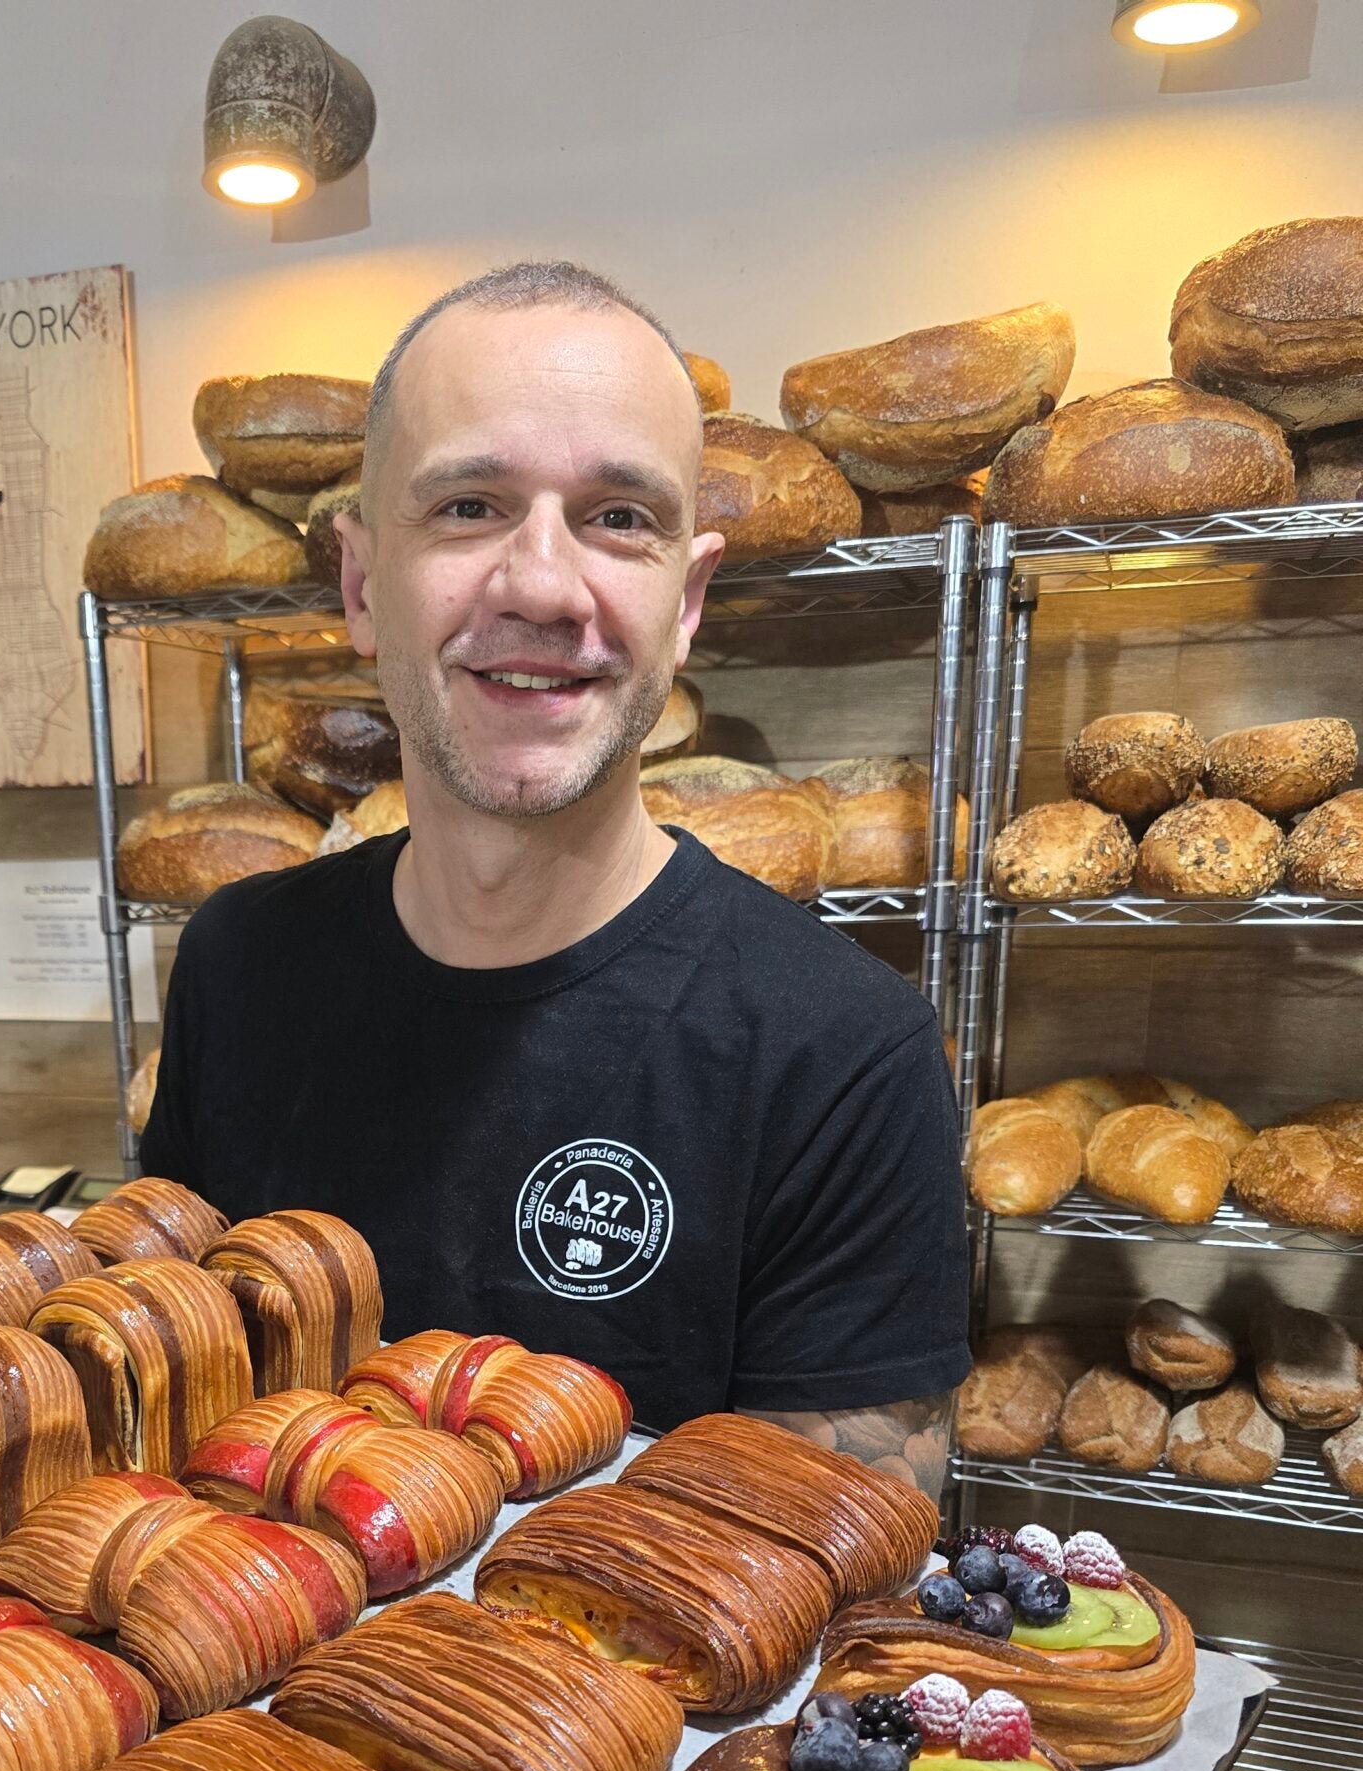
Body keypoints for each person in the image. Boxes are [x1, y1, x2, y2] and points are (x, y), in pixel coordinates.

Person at [140, 261, 968, 1492]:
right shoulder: (238, 962)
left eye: (619, 517)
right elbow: (175, 1398)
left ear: (686, 602)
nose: (539, 583)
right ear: (364, 584)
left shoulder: (843, 1053)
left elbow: (822, 1588)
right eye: (469, 506)